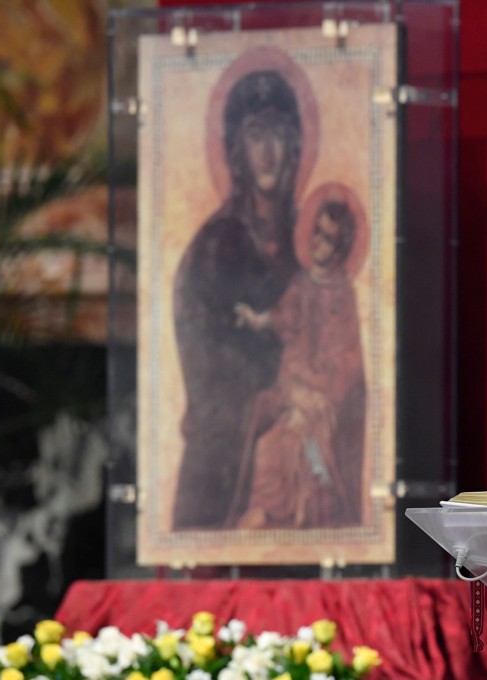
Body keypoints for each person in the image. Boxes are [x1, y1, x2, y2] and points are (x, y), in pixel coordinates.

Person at [171, 69, 303, 529]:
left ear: (295, 146)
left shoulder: (312, 238)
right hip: (226, 462)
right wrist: (263, 395)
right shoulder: (215, 246)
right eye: (255, 134)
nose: (268, 151)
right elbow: (205, 360)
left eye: (279, 135)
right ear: (237, 150)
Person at [227, 197, 366, 529]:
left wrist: (314, 399)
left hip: (322, 399)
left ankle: (275, 511)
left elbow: (346, 359)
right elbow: (282, 318)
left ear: (341, 247)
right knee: (260, 430)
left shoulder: (342, 294)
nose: (318, 243)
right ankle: (267, 509)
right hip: (292, 387)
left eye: (329, 238)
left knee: (278, 445)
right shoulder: (302, 283)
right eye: (317, 233)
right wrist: (258, 320)